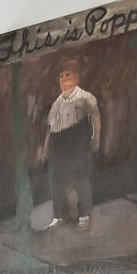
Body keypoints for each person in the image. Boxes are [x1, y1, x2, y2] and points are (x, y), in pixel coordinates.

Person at [41, 57, 101, 229]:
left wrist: (96, 140)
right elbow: (50, 127)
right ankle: (59, 215)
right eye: (61, 76)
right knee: (57, 179)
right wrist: (46, 147)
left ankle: (84, 213)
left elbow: (96, 119)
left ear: (76, 76)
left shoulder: (85, 97)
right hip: (58, 143)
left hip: (78, 140)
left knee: (80, 177)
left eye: (68, 74)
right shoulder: (57, 103)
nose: (64, 79)